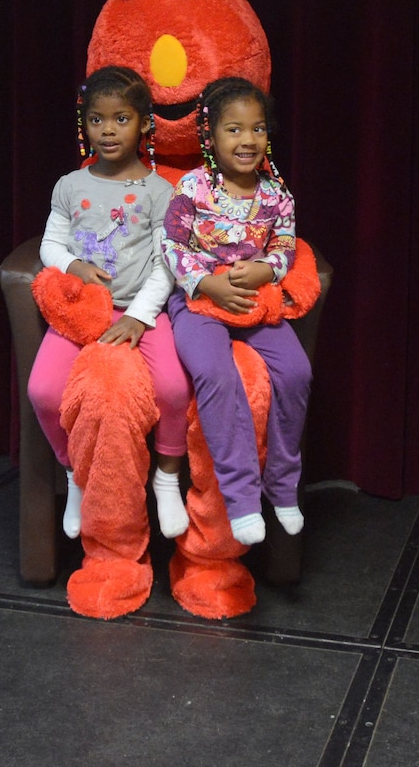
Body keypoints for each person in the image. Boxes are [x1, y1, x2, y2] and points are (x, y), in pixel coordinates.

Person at [26, 66, 189, 540]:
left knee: (175, 390)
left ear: (143, 124)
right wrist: (73, 265)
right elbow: (50, 244)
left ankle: (166, 477)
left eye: (121, 118)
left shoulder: (161, 193)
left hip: (143, 310)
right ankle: (79, 474)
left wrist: (140, 316)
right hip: (84, 309)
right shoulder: (70, 185)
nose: (109, 130)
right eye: (97, 120)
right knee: (44, 392)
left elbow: (168, 265)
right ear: (86, 126)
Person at [160, 77, 312, 546]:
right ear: (211, 137)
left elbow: (286, 243)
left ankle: (282, 486)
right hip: (200, 305)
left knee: (296, 373)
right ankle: (243, 498)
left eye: (257, 129)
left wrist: (268, 270)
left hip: (252, 303)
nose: (247, 140)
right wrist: (206, 283)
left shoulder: (276, 194)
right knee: (215, 373)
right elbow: (170, 243)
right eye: (233, 130)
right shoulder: (192, 187)